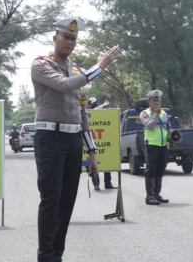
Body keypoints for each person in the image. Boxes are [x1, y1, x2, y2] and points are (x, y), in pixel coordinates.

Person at [31, 18, 119, 262]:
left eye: (73, 39)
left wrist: (92, 152)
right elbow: (64, 85)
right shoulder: (41, 65)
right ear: (55, 38)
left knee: (68, 200)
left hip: (73, 140)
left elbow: (82, 115)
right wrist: (99, 67)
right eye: (65, 37)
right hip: (50, 138)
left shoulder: (78, 71)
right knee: (51, 198)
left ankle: (57, 254)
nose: (69, 42)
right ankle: (45, 255)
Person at [140, 89, 169, 205]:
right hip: (151, 145)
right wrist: (156, 113)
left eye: (158, 100)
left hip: (163, 145)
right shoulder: (145, 113)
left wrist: (172, 134)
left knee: (160, 169)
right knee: (150, 170)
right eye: (154, 100)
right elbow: (150, 126)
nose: (157, 102)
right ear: (149, 101)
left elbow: (167, 127)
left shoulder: (164, 113)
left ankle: (157, 194)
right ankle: (149, 196)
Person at [88, 97, 114, 190]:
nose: (95, 105)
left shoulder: (102, 113)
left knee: (106, 163)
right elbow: (95, 110)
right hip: (93, 143)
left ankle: (108, 183)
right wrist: (103, 105)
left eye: (96, 103)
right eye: (93, 103)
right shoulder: (89, 114)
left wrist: (105, 107)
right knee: (94, 165)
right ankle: (96, 184)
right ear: (90, 105)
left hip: (103, 142)